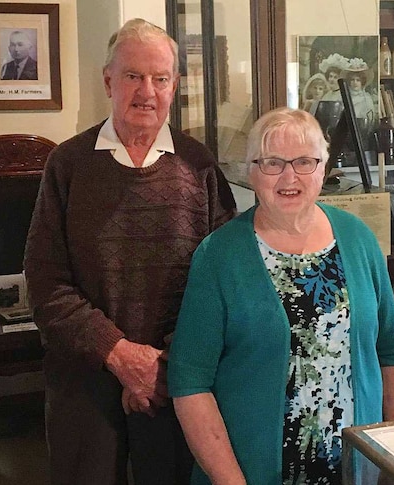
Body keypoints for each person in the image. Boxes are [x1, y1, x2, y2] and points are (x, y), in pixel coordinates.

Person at [24, 19, 236, 485]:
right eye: (133, 76)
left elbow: (222, 281)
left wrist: (165, 363)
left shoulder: (199, 165)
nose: (147, 91)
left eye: (160, 78)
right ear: (108, 81)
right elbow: (44, 280)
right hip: (84, 377)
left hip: (176, 377)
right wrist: (120, 356)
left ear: (175, 86)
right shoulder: (68, 164)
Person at [168, 107, 394, 485]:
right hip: (251, 474)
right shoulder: (219, 255)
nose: (289, 177)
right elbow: (189, 382)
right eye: (272, 163)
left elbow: (393, 351)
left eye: (304, 162)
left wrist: (391, 460)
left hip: (355, 470)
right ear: (251, 171)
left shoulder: (359, 238)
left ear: (323, 168)